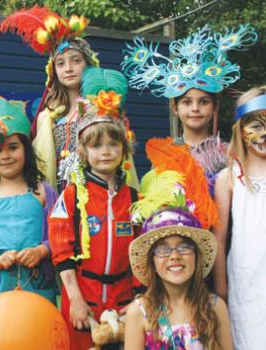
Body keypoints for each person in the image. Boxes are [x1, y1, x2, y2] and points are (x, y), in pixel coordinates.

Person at [48, 68, 138, 350]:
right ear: (84, 152)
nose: (106, 151)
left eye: (113, 144)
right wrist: (74, 298)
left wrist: (139, 300)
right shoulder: (71, 197)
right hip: (82, 301)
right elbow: (61, 254)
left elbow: (141, 255)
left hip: (125, 302)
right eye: (97, 146)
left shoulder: (136, 198)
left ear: (124, 149)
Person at [122, 24, 258, 196]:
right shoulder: (164, 153)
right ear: (175, 108)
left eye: (203, 102)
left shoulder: (226, 153)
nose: (195, 109)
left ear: (215, 107)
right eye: (187, 102)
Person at [124, 164, 233, 349]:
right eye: (163, 250)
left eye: (184, 247)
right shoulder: (139, 312)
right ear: (152, 261)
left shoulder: (215, 307)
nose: (174, 256)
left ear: (197, 256)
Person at [0, 96, 57, 302]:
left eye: (13, 147)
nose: (5, 155)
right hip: (0, 290)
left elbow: (61, 236)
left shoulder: (44, 192)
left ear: (26, 150)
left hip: (39, 288)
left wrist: (42, 250)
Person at [0, 7, 99, 190]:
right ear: (53, 71)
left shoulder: (101, 108)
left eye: (76, 60)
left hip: (94, 194)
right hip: (58, 197)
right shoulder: (48, 116)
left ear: (89, 64)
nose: (68, 68)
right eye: (60, 63)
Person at [213, 86, 266, 349]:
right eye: (255, 125)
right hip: (246, 282)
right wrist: (221, 290)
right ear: (241, 130)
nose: (264, 133)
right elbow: (219, 239)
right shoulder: (230, 178)